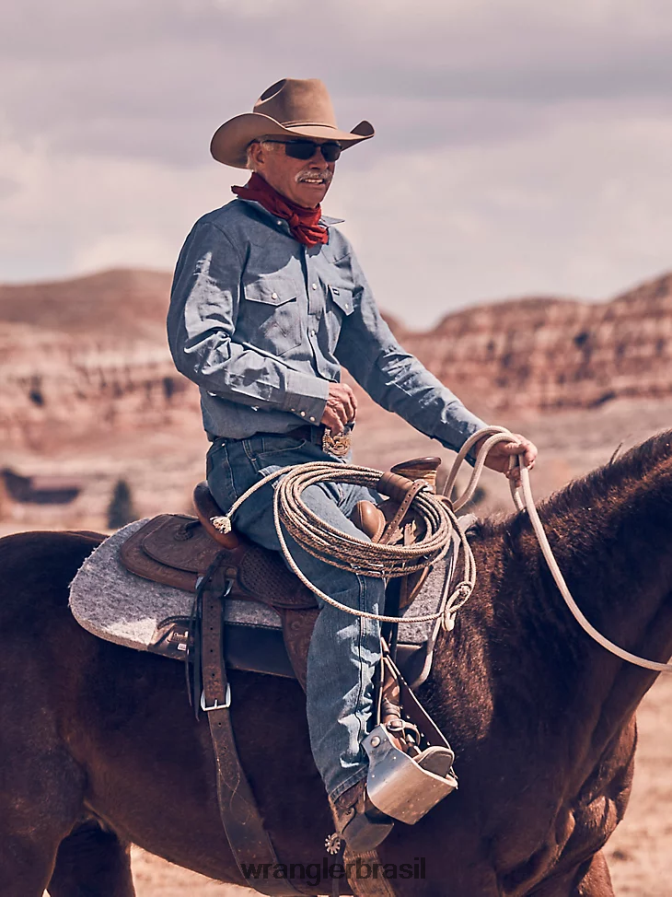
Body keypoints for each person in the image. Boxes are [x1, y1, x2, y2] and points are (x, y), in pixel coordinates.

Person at [168, 78, 537, 852]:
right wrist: (304, 390)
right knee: (352, 565)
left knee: (444, 555)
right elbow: (196, 345)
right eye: (303, 146)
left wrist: (476, 436)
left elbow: (388, 363)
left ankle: (411, 725)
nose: (321, 161)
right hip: (252, 462)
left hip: (325, 466)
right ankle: (350, 783)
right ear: (259, 151)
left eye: (331, 149)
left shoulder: (334, 248)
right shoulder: (221, 234)